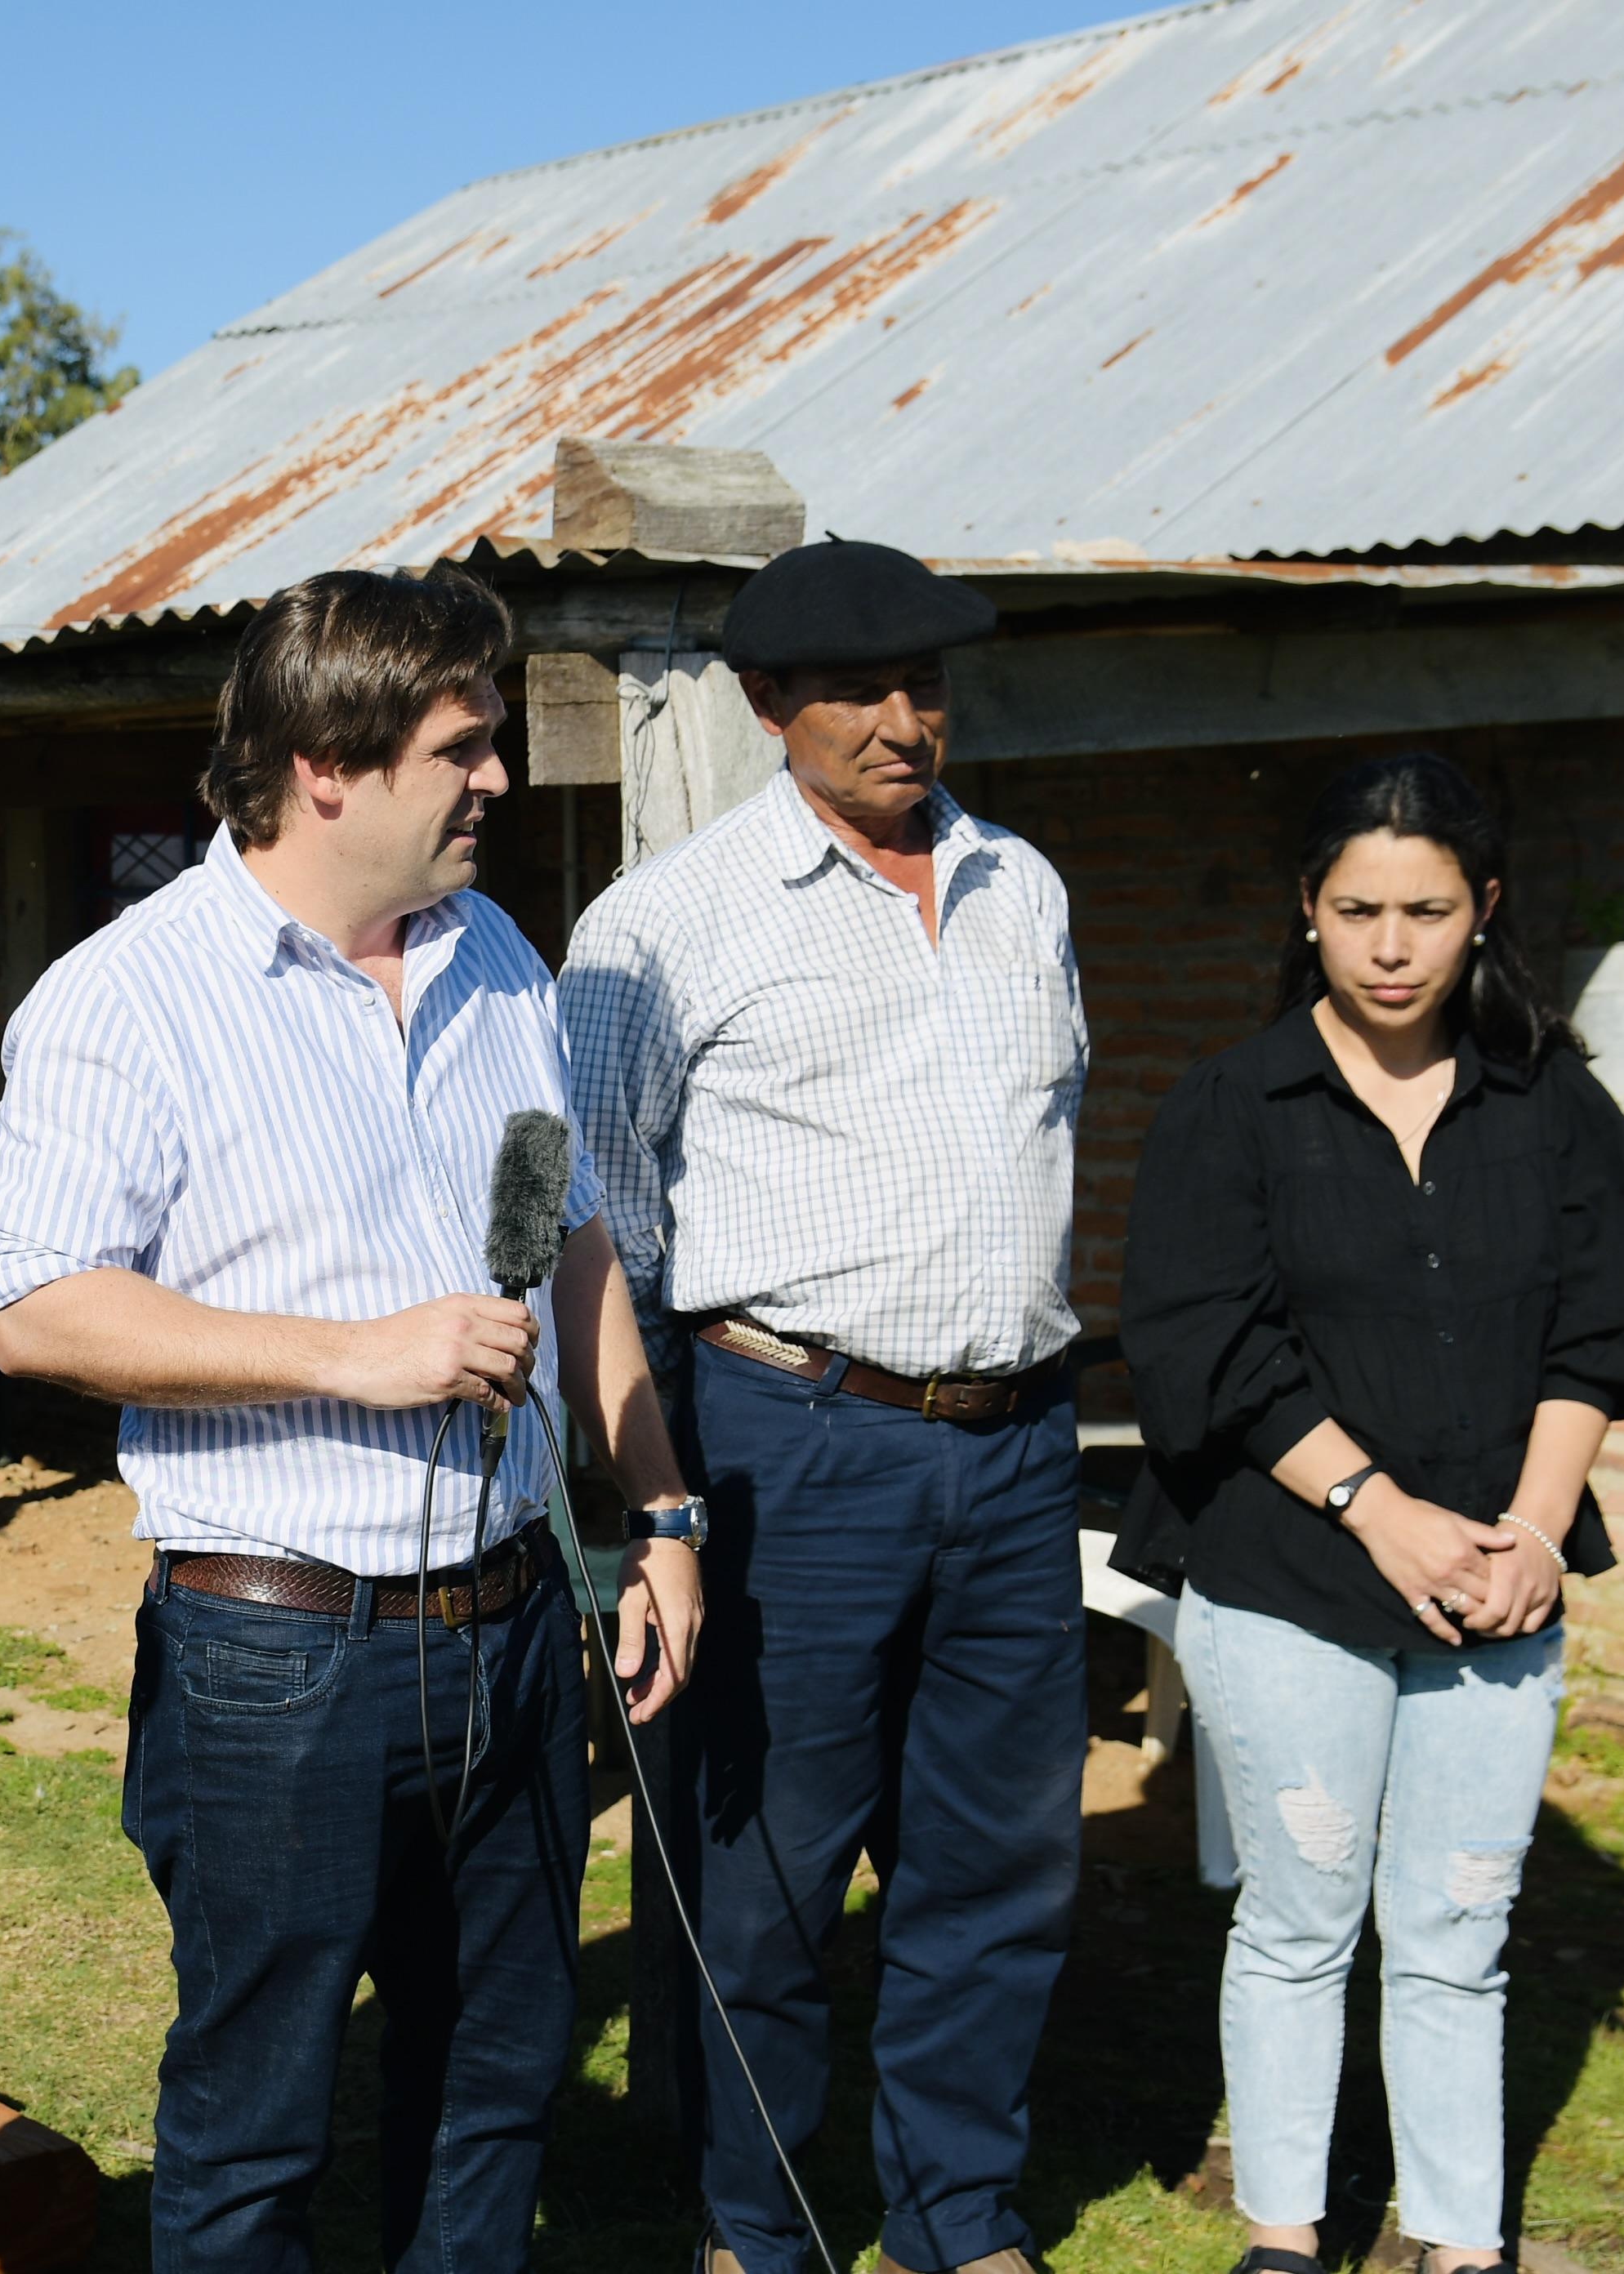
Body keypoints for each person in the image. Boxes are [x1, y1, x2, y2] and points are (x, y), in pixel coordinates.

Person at [0, 566, 706, 2273]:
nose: (500, 782)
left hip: (517, 1624)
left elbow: (577, 1238)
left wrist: (657, 1511)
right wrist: (349, 1354)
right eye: (466, 747)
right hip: (279, 1660)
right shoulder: (127, 996)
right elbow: (33, 1306)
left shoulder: (498, 953)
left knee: (496, 2082)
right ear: (324, 763)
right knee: (255, 2128)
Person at [560, 538, 1086, 2274]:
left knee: (994, 1870)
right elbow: (597, 1228)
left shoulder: (1026, 886)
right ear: (766, 702)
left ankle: (962, 2220)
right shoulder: (664, 923)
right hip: (791, 1438)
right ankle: (756, 2230)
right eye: (859, 687)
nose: (902, 718)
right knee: (771, 1872)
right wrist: (652, 1500)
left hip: (1015, 1443)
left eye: (927, 681)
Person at [1113, 751, 1624, 2274]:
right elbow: (1204, 1347)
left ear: (1483, 912)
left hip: (1503, 1577)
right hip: (1289, 1567)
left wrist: (1535, 1529)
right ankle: (1286, 2236)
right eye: (1357, 907)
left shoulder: (1555, 1103)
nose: (1389, 945)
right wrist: (1383, 1512)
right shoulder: (1231, 1108)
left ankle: (1457, 2240)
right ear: (1308, 910)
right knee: (1302, 1913)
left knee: (1458, 1927)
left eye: (1426, 910)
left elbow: (1611, 1326)